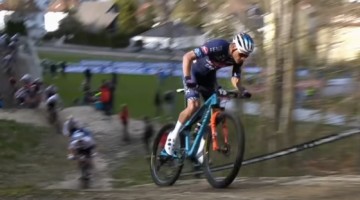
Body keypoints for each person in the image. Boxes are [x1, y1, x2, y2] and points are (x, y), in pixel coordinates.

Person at [163, 32, 254, 163]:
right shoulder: (218, 46)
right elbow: (187, 57)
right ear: (234, 48)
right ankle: (172, 136)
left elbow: (235, 78)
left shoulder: (237, 59)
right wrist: (188, 79)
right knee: (194, 105)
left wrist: (241, 90)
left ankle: (200, 148)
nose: (244, 58)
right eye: (243, 54)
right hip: (193, 75)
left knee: (216, 112)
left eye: (247, 56)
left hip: (209, 80)